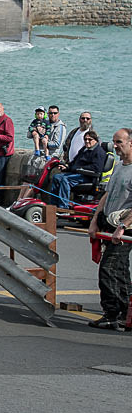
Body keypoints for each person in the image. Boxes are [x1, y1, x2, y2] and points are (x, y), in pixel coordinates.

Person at [87, 128, 132, 330]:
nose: (115, 146)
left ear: (131, 143)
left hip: (124, 229)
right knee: (120, 270)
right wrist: (95, 219)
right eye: (114, 141)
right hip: (109, 224)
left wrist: (123, 227)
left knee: (109, 269)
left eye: (119, 142)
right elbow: (107, 194)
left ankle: (111, 313)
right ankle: (125, 312)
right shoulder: (118, 166)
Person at [50, 130, 105, 209]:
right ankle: (54, 205)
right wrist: (67, 167)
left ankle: (63, 207)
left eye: (90, 139)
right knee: (57, 177)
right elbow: (75, 162)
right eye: (85, 139)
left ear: (95, 140)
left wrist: (79, 169)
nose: (87, 141)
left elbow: (97, 168)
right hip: (78, 174)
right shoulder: (84, 149)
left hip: (88, 177)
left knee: (65, 179)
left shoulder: (99, 152)